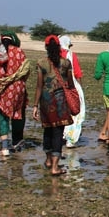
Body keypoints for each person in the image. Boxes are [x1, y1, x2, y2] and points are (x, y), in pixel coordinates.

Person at [0, 31, 31, 157]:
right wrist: (16, 80)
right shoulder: (19, 52)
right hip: (17, 87)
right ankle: (16, 142)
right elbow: (26, 70)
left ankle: (5, 147)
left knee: (2, 116)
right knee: (17, 114)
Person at [33, 35, 75, 176]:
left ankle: (49, 160)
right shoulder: (65, 63)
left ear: (46, 47)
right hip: (61, 102)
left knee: (48, 131)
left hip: (45, 101)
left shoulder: (41, 63)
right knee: (58, 133)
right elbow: (70, 84)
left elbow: (39, 86)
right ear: (58, 47)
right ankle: (55, 167)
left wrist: (34, 106)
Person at [59, 35, 86, 148]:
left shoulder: (53, 55)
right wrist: (80, 88)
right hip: (71, 86)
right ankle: (70, 139)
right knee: (75, 112)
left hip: (57, 87)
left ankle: (60, 137)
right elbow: (77, 73)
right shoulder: (71, 55)